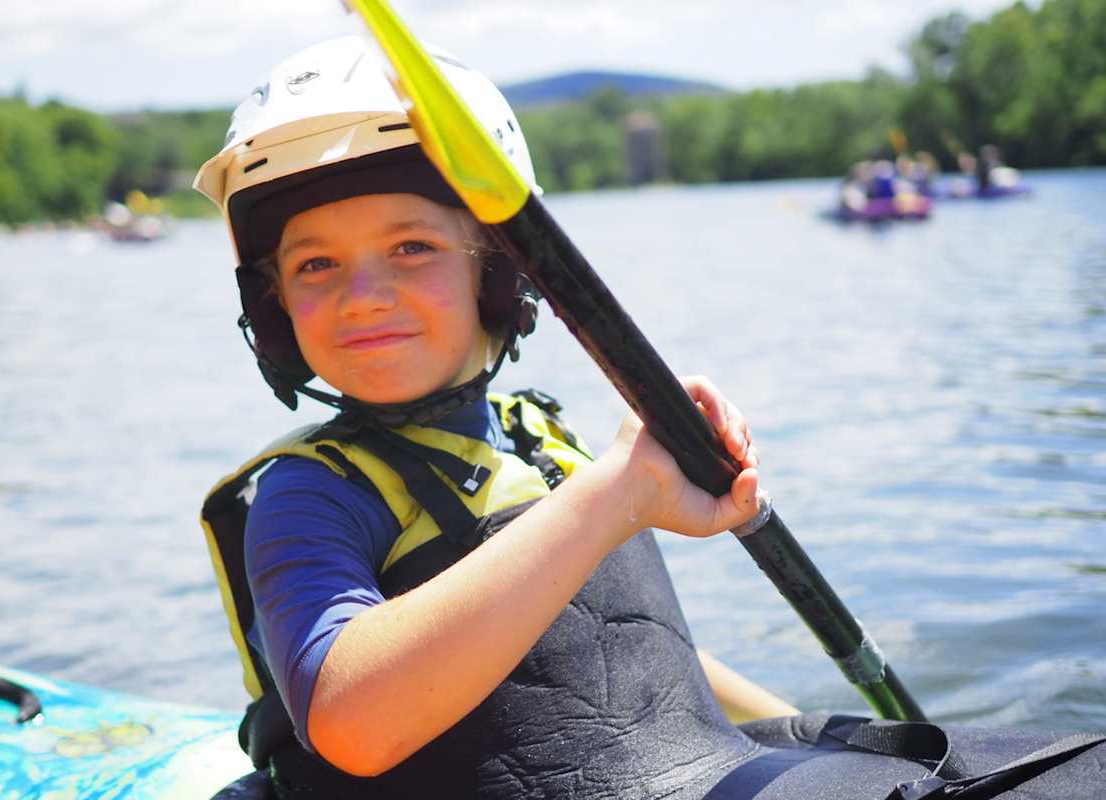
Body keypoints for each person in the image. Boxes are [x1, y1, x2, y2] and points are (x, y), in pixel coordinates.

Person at [198, 35, 1103, 800]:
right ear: (273, 308)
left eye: (411, 246)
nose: (364, 295)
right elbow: (352, 720)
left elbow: (621, 658)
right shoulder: (310, 494)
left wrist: (802, 729)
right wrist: (614, 497)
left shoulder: (538, 438)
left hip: (679, 756)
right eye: (315, 265)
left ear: (500, 273)